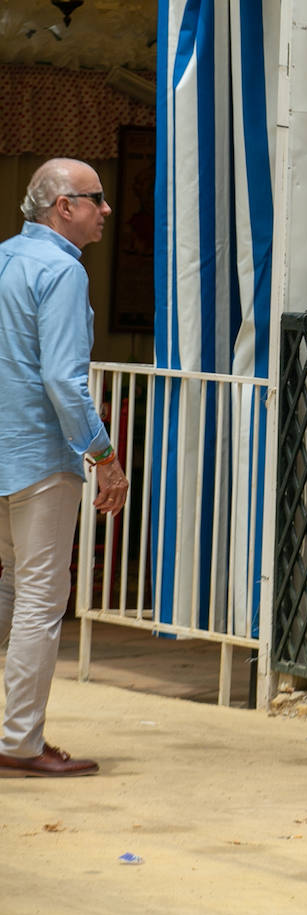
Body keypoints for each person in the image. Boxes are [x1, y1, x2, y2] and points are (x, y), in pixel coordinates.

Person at [0, 158, 128, 778]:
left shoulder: (6, 258)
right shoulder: (60, 271)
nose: (106, 209)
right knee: (40, 600)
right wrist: (104, 455)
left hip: (8, 448)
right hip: (38, 456)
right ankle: (19, 742)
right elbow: (62, 379)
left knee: (9, 588)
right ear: (62, 207)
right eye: (95, 198)